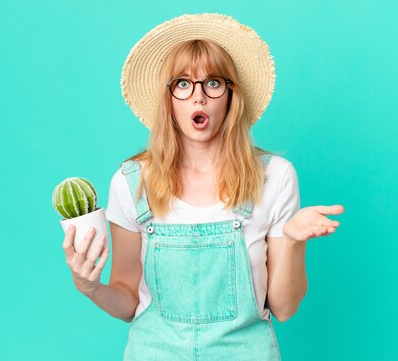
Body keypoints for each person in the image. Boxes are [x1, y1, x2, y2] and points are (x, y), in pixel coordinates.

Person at [62, 13, 344, 360]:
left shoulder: (275, 176)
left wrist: (294, 240)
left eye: (212, 82)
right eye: (183, 83)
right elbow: (127, 299)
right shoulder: (132, 182)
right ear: (168, 99)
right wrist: (90, 287)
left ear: (230, 95)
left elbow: (284, 308)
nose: (198, 97)